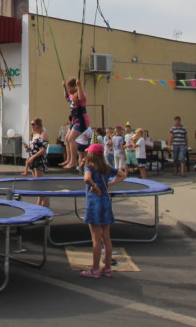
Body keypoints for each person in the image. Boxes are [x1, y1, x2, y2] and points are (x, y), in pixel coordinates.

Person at [80, 143, 126, 278]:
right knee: (106, 237)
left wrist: (95, 186)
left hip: (95, 203)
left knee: (96, 239)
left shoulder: (89, 167)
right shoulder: (106, 167)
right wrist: (110, 184)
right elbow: (123, 175)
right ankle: (107, 268)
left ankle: (95, 269)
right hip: (106, 202)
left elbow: (87, 178)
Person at [62, 78, 89, 171]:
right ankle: (69, 159)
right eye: (68, 88)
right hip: (74, 119)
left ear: (74, 87)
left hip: (82, 119)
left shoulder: (80, 94)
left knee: (71, 138)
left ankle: (74, 161)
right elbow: (66, 97)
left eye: (70, 88)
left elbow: (81, 98)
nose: (69, 89)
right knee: (66, 139)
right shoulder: (71, 96)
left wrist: (79, 85)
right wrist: (64, 87)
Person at [24, 118, 49, 207]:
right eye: (31, 124)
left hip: (39, 160)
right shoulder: (33, 135)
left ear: (38, 125)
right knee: (36, 183)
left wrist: (33, 157)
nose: (32, 126)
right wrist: (28, 148)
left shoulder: (43, 135)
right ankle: (44, 202)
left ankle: (39, 203)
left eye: (33, 124)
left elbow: (43, 149)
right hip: (32, 159)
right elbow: (33, 149)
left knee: (40, 183)